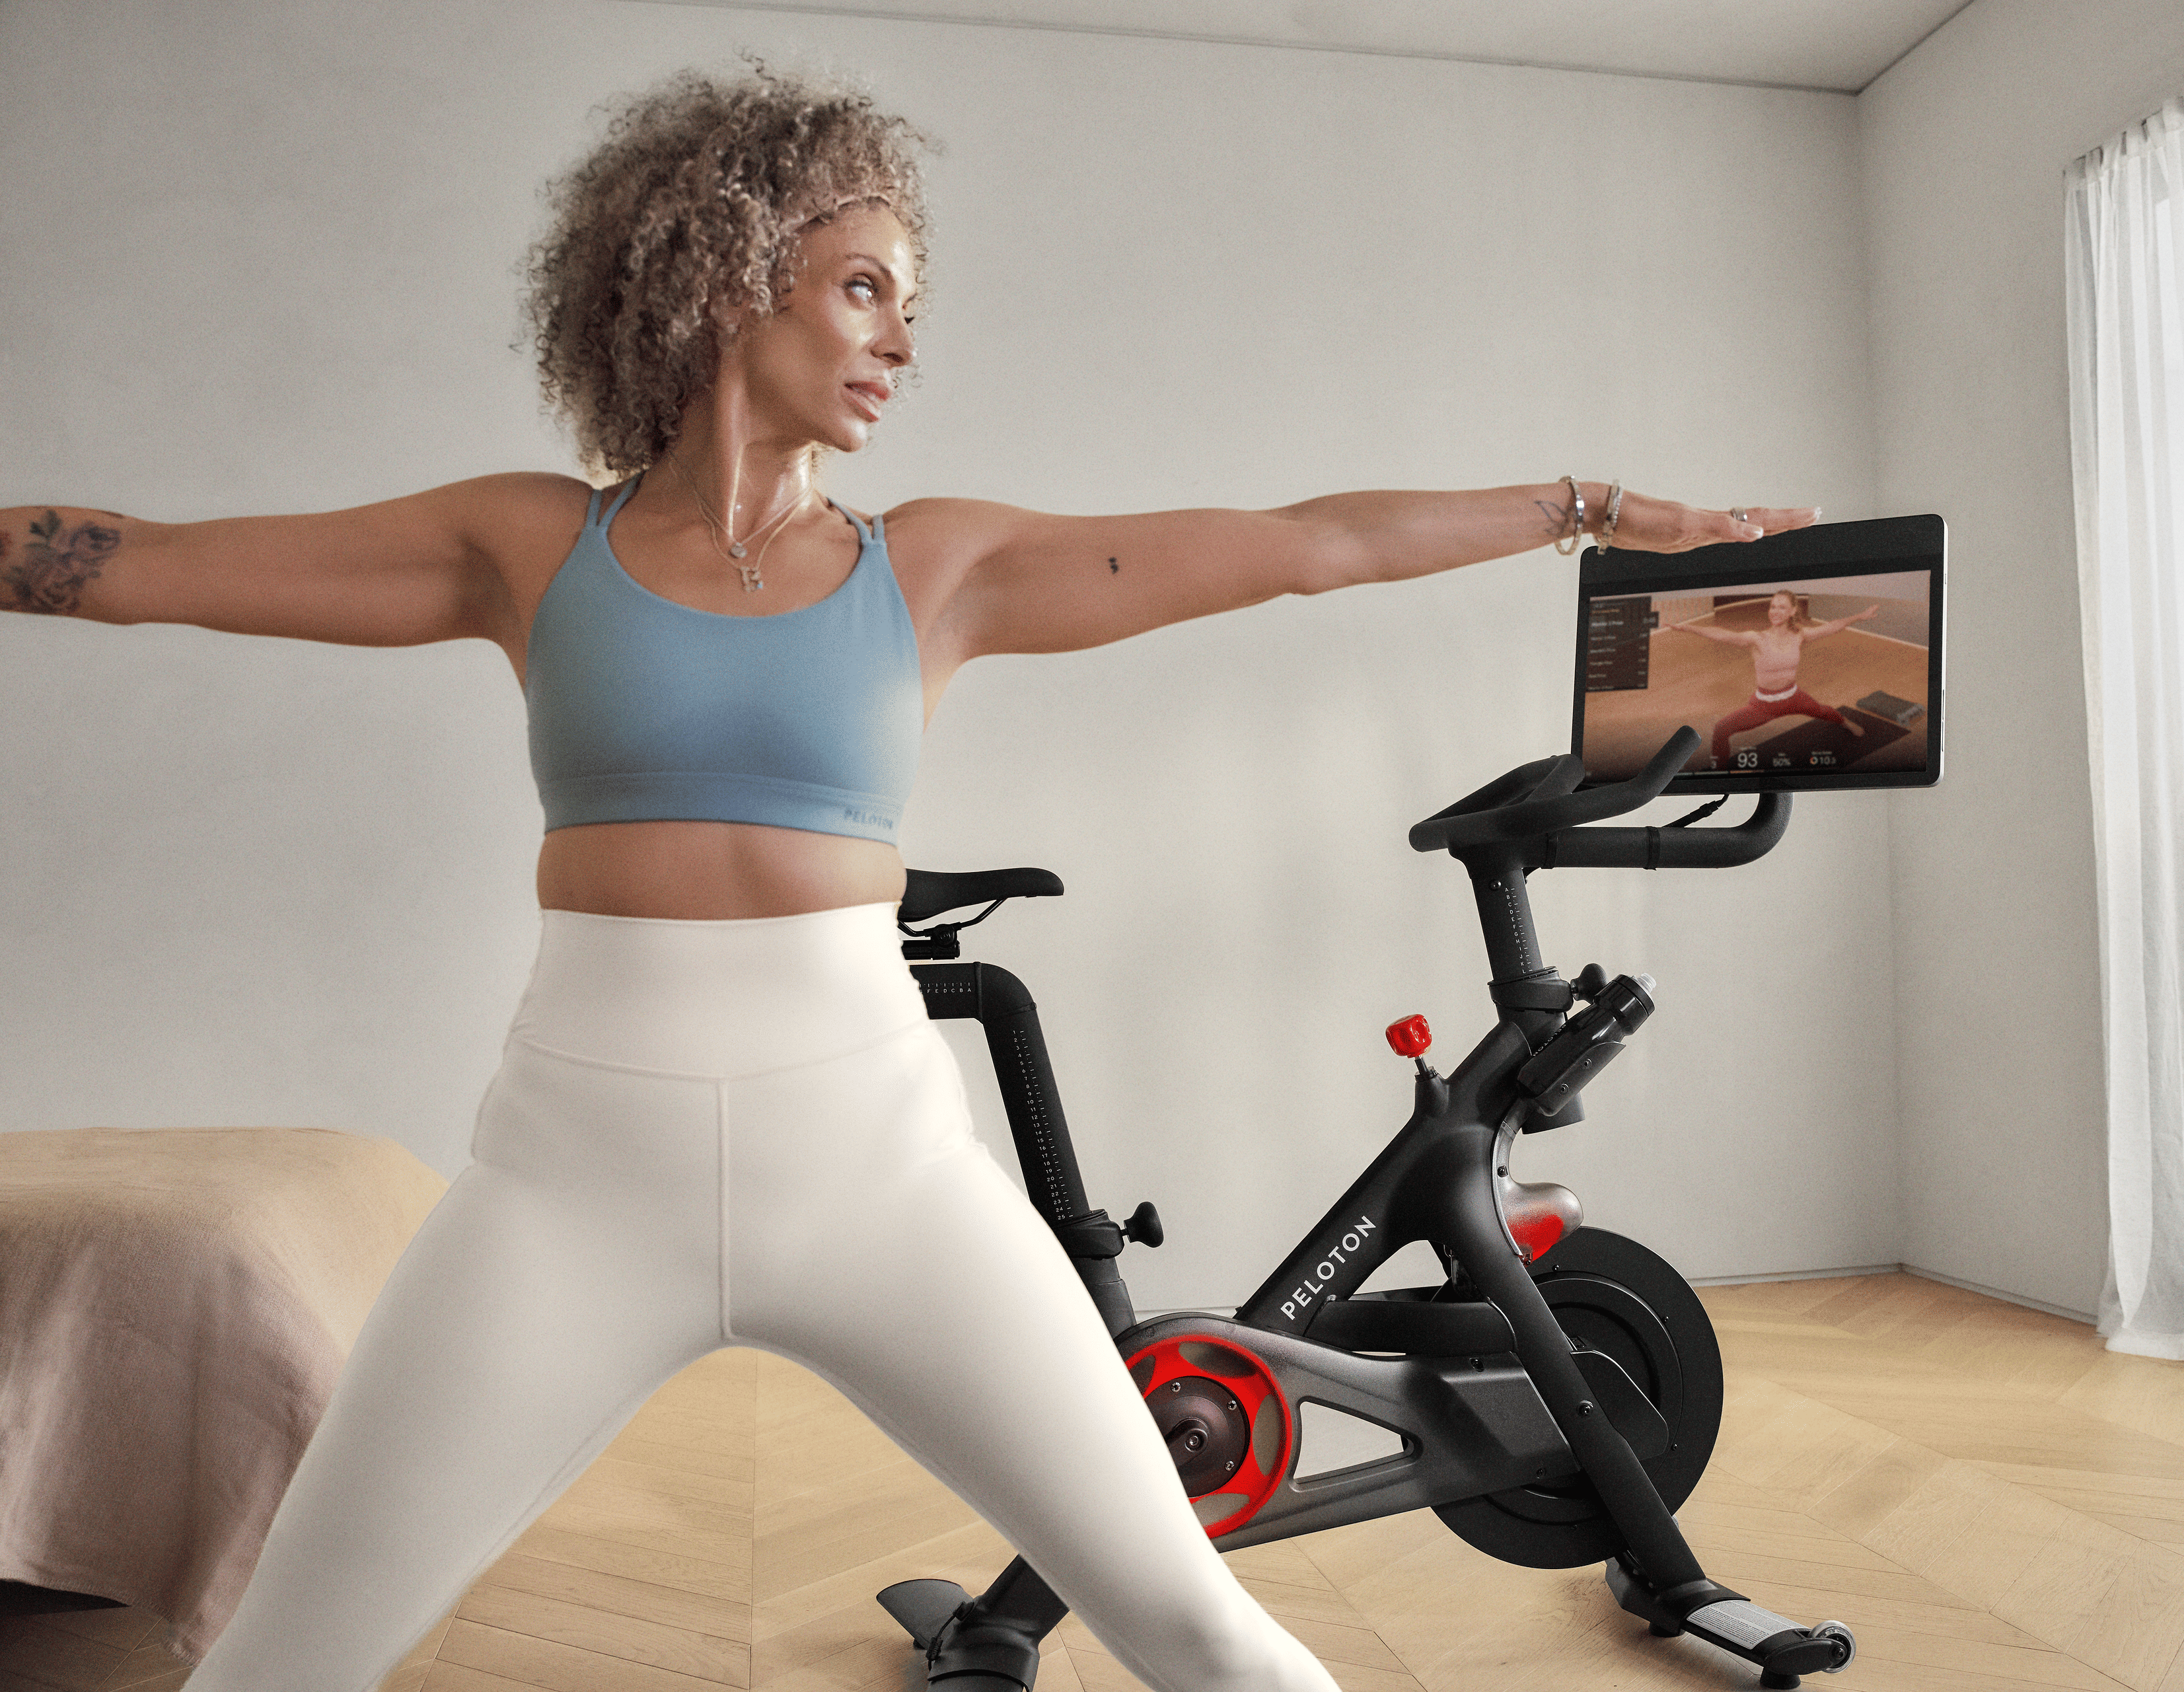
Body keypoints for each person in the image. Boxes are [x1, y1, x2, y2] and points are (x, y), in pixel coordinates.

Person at [1, 66, 1814, 1692]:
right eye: (865, 287)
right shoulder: (527, 544)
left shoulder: (933, 567)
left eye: (909, 308)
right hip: (567, 1184)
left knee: (1197, 1628)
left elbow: (1305, 544)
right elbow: (141, 563)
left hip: (877, 1168)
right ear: (727, 269)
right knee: (284, 1658)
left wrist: (1588, 506)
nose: (899, 344)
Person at [1665, 587, 1872, 768]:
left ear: (1793, 611)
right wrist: (1687, 628)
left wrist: (1860, 617)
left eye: (1782, 607)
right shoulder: (1758, 639)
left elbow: (1832, 627)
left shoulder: (1800, 635)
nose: (1775, 611)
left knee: (1824, 711)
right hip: (1764, 706)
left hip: (1794, 697)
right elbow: (1722, 634)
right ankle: (1720, 771)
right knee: (1721, 729)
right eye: (1773, 607)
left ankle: (1845, 722)